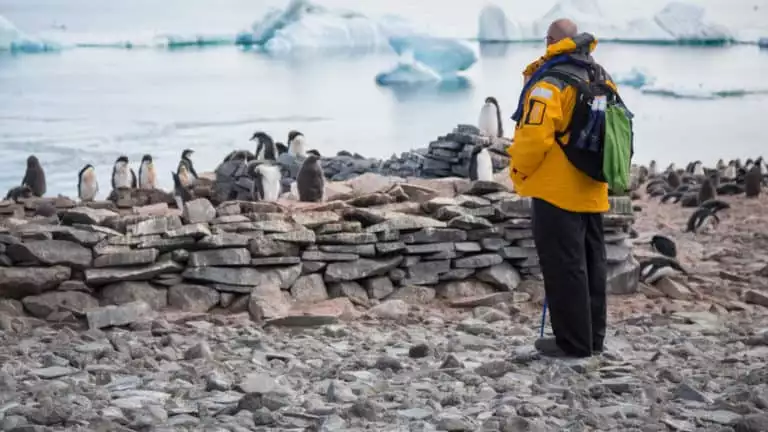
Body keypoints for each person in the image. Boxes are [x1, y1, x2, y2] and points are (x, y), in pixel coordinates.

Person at [508, 20, 622, 358]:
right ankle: (592, 339)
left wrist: (518, 172)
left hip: (556, 190)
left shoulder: (550, 82)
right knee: (591, 265)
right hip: (593, 187)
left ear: (551, 41)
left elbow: (533, 138)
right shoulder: (601, 75)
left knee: (564, 267)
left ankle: (571, 344)